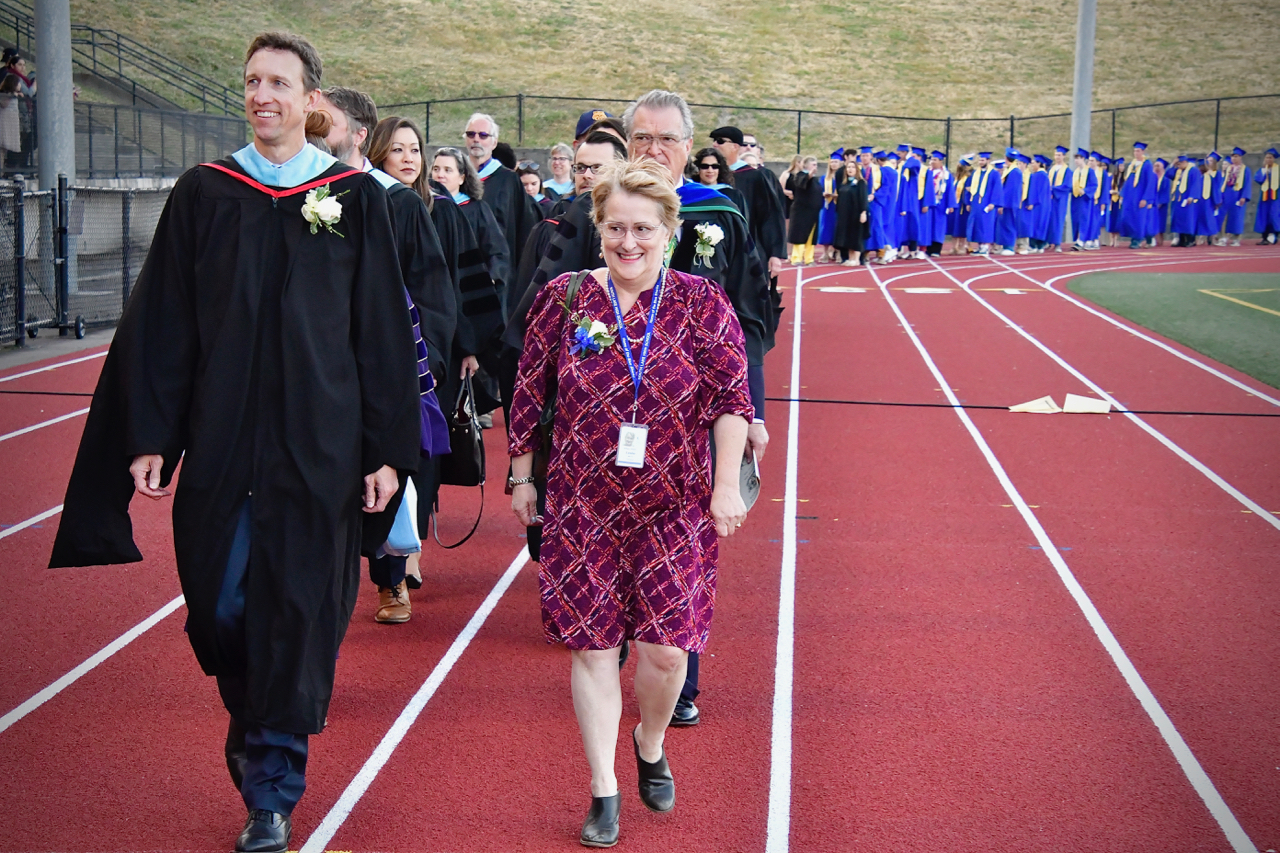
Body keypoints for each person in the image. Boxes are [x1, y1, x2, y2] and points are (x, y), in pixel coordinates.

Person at [49, 33, 421, 853]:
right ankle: (254, 720)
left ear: (311, 100)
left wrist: (385, 450)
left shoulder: (354, 200)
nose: (263, 95)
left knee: (297, 609)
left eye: (279, 82)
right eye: (252, 80)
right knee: (219, 607)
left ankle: (271, 790)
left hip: (317, 449)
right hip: (222, 440)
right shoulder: (205, 193)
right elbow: (164, 324)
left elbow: (382, 333)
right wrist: (151, 434)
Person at [508, 157, 753, 847]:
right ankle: (604, 788)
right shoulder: (565, 297)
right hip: (582, 501)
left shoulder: (704, 303)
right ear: (599, 227)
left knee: (668, 652)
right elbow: (528, 389)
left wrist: (727, 482)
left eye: (643, 228)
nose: (628, 243)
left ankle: (649, 740)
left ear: (668, 231)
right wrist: (522, 476)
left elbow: (734, 400)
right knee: (591, 648)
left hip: (675, 502)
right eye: (615, 227)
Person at [319, 90, 457, 623]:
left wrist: (431, 362)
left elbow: (433, 291)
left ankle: (390, 578)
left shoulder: (396, 203)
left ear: (356, 135)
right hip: (324, 364)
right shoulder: (303, 195)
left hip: (385, 362)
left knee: (388, 468)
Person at [463, 112, 542, 315]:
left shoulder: (508, 181)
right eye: (471, 134)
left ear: (494, 141)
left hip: (499, 277)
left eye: (483, 135)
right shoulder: (457, 181)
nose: (476, 139)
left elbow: (523, 230)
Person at [433, 146, 512, 316]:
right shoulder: (425, 208)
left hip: (469, 293)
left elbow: (497, 251)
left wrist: (489, 278)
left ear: (461, 178)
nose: (440, 175)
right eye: (436, 169)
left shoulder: (476, 209)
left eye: (448, 170)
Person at [1117, 142, 1156, 249]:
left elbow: (1150, 183)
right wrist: (1122, 194)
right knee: (1127, 217)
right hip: (1130, 196)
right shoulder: (1132, 164)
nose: (1136, 153)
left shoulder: (1147, 164)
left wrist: (1146, 198)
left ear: (1143, 152)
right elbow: (1127, 180)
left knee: (1138, 218)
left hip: (1140, 196)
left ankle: (1137, 239)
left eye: (1138, 151)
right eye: (1134, 151)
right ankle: (1144, 237)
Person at [786, 156, 822, 265]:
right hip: (802, 212)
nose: (815, 167)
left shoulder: (815, 180)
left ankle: (809, 258)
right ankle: (796, 258)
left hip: (813, 212)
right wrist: (809, 175)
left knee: (811, 236)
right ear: (806, 165)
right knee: (800, 234)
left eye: (816, 164)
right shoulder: (799, 176)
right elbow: (801, 184)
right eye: (813, 164)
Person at [833, 154, 868, 265]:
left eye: (853, 167)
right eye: (848, 167)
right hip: (845, 214)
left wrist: (863, 212)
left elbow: (863, 198)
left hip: (856, 213)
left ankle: (857, 259)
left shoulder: (861, 183)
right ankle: (850, 257)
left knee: (856, 235)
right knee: (848, 236)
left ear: (857, 170)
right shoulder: (844, 183)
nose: (850, 169)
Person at [812, 149, 844, 262]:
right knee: (826, 228)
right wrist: (823, 194)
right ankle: (825, 253)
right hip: (827, 206)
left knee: (838, 229)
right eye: (832, 162)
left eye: (836, 162)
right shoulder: (825, 178)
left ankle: (839, 253)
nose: (834, 164)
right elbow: (818, 190)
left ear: (840, 163)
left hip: (839, 206)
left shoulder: (843, 177)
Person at [966, 151, 998, 255]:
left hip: (986, 203)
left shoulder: (994, 174)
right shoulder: (976, 173)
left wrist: (993, 203)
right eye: (979, 160)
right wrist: (968, 202)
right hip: (975, 203)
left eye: (983, 160)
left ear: (988, 161)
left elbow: (997, 189)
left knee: (985, 224)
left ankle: (985, 247)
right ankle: (979, 246)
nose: (980, 162)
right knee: (977, 224)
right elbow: (968, 188)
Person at [1219, 147, 1251, 246]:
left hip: (1238, 194)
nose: (1234, 158)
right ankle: (1224, 237)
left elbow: (1247, 184)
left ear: (1240, 157)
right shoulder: (1229, 168)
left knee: (1237, 216)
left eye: (1236, 156)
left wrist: (1244, 196)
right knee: (1224, 216)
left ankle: (1236, 238)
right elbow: (1223, 182)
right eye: (1232, 156)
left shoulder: (1245, 169)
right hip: (1227, 193)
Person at [1045, 145, 1072, 251]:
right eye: (1056, 155)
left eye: (1059, 155)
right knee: (1049, 219)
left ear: (1064, 156)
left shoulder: (1067, 171)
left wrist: (1053, 189)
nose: (1057, 157)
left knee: (1058, 220)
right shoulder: (1051, 169)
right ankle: (1047, 242)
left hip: (1060, 199)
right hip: (1050, 198)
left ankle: (1057, 244)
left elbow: (1067, 186)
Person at [946, 157, 972, 255]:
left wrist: (967, 203)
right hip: (955, 205)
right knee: (954, 227)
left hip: (962, 206)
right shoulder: (956, 178)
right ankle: (954, 247)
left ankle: (962, 246)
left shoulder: (968, 178)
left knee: (962, 226)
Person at [1255, 148, 1279, 244]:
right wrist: (1265, 171)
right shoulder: (1262, 170)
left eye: (1270, 158)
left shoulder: (1278, 169)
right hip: (1265, 197)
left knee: (1274, 215)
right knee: (1263, 216)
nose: (1268, 159)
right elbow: (1258, 179)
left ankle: (1274, 235)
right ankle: (1264, 237)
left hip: (1276, 197)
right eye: (1266, 158)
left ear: (1274, 159)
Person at [0, 74, 21, 168]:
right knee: (2, 148)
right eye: (18, 83)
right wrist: (12, 95)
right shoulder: (5, 95)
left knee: (4, 150)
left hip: (11, 124)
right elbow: (4, 104)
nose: (20, 85)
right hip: (4, 123)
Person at [1150, 157, 1171, 246]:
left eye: (1158, 166)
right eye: (1155, 166)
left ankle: (1160, 241)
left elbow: (1166, 192)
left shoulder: (1166, 179)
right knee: (1153, 221)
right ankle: (1153, 239)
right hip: (1152, 204)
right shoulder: (1152, 178)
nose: (1156, 168)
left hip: (1161, 205)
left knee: (1160, 222)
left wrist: (1160, 202)